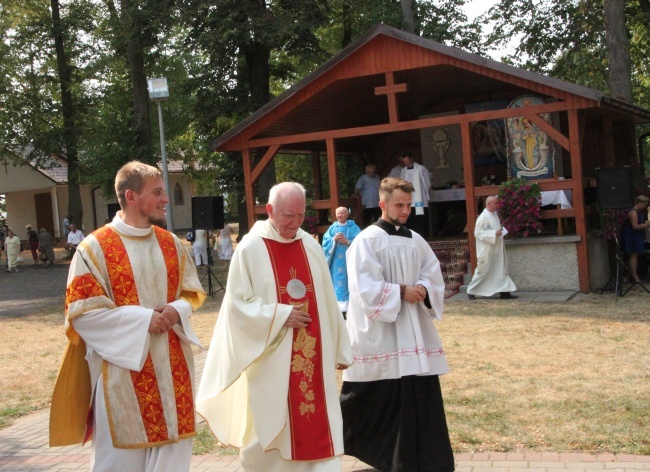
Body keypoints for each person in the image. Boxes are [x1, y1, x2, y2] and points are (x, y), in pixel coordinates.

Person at [49, 161, 206, 472]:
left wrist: (176, 310)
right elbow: (82, 312)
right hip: (123, 377)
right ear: (132, 196)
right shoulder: (94, 248)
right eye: (158, 192)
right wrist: (143, 319)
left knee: (173, 460)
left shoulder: (171, 243)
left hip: (173, 371)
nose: (165, 199)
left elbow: (191, 293)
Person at [196, 182, 352, 472]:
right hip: (272, 356)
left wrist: (340, 347)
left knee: (318, 421)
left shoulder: (309, 245)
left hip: (313, 354)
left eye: (300, 216)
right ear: (269, 210)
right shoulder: (251, 248)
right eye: (288, 216)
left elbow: (328, 299)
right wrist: (280, 316)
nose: (295, 224)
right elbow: (237, 305)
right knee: (272, 426)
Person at [341, 177, 454, 472]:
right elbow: (364, 288)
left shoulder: (416, 240)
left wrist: (424, 289)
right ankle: (386, 459)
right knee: (382, 399)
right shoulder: (366, 240)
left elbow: (433, 274)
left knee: (418, 395)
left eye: (408, 205)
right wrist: (402, 291)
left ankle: (420, 461)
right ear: (382, 204)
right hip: (383, 333)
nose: (405, 211)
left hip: (414, 332)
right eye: (399, 205)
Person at [466, 195, 517, 300]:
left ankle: (504, 292)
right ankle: (471, 290)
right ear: (489, 204)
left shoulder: (495, 215)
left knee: (500, 270)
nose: (498, 205)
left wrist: (501, 232)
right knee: (483, 270)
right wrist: (494, 233)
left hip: (497, 248)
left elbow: (497, 229)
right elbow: (478, 233)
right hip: (488, 249)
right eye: (496, 203)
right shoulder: (483, 217)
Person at [322, 207, 361, 316]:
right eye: (338, 213)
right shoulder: (332, 228)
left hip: (349, 260)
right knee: (337, 281)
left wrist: (347, 241)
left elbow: (360, 242)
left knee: (349, 280)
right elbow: (325, 243)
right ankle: (338, 308)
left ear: (347, 215)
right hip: (336, 262)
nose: (340, 215)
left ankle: (351, 307)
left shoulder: (353, 227)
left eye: (342, 213)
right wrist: (333, 240)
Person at [400, 152, 431, 238]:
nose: (406, 163)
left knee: (420, 219)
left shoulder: (420, 169)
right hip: (408, 198)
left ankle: (422, 236)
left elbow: (427, 182)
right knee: (410, 218)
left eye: (407, 161)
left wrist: (423, 193)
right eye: (404, 162)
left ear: (411, 160)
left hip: (418, 197)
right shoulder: (403, 170)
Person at [621, 195, 650, 282]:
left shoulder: (638, 212)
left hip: (636, 235)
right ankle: (634, 276)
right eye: (644, 204)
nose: (644, 207)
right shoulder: (633, 212)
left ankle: (634, 275)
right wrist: (646, 225)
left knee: (636, 255)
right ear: (640, 203)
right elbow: (635, 226)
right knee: (634, 255)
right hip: (632, 235)